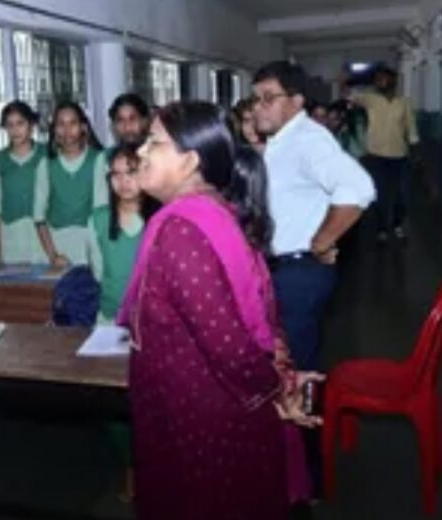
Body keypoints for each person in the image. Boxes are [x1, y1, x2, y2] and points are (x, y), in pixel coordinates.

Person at [117, 100, 320, 520]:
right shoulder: (214, 216)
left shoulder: (182, 232)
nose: (141, 151)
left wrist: (276, 388)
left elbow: (228, 345)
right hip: (203, 412)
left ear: (190, 161)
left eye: (154, 142)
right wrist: (279, 379)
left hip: (201, 426)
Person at [252, 60, 375, 501]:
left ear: (297, 101)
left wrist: (322, 239)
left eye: (269, 98)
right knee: (290, 369)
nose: (259, 107)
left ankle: (308, 479)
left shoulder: (307, 139)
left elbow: (358, 189)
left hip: (299, 273)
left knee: (298, 372)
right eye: (256, 99)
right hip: (288, 268)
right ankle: (294, 468)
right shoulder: (282, 142)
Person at [87, 143, 157, 323]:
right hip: (110, 315)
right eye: (116, 174)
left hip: (151, 318)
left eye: (131, 173)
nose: (123, 181)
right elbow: (98, 272)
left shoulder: (160, 219)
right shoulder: (98, 219)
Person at [350, 65, 420, 242]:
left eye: (383, 78)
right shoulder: (370, 99)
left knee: (402, 194)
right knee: (380, 194)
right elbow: (350, 95)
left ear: (393, 81)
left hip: (400, 156)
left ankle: (397, 225)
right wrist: (361, 77)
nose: (380, 82)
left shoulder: (404, 102)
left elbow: (411, 128)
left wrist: (415, 152)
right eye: (377, 79)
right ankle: (381, 228)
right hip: (376, 156)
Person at [34, 101, 107, 266]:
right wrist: (53, 256)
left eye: (73, 123)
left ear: (83, 127)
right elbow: (39, 217)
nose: (67, 130)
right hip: (54, 246)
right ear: (54, 129)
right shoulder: (45, 164)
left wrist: (97, 252)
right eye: (61, 124)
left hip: (90, 243)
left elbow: (101, 211)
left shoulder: (98, 160)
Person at [0, 100, 47, 267]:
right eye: (10, 125)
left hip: (46, 237)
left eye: (20, 123)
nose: (15, 130)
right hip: (12, 240)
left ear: (31, 125)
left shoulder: (47, 154)